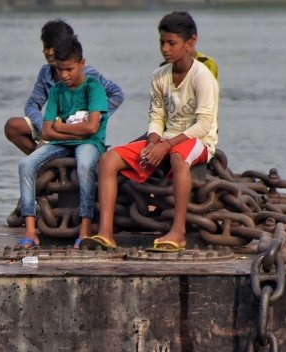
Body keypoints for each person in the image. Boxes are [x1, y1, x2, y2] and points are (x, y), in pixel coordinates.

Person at [86, 11, 219, 252]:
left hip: (198, 141)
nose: (165, 49)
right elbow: (157, 117)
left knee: (178, 157)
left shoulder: (203, 77)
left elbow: (204, 125)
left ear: (190, 42)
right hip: (166, 139)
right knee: (109, 160)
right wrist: (153, 140)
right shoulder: (159, 76)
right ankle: (105, 233)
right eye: (162, 42)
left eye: (172, 43)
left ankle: (178, 232)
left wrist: (166, 146)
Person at [4, 19, 124, 225]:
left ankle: (81, 215)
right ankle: (49, 168)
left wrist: (95, 118)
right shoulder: (46, 73)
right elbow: (33, 104)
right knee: (13, 126)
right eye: (46, 47)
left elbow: (116, 94)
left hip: (79, 128)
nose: (50, 52)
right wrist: (45, 126)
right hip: (53, 125)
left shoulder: (88, 76)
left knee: (83, 162)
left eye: (54, 47)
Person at [16, 35, 109, 248]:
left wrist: (61, 127)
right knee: (26, 165)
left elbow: (92, 128)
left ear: (82, 63)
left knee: (85, 166)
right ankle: (30, 229)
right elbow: (47, 132)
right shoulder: (57, 91)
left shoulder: (94, 87)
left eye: (69, 69)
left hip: (90, 143)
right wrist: (75, 133)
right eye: (60, 70)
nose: (64, 75)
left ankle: (85, 227)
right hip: (63, 143)